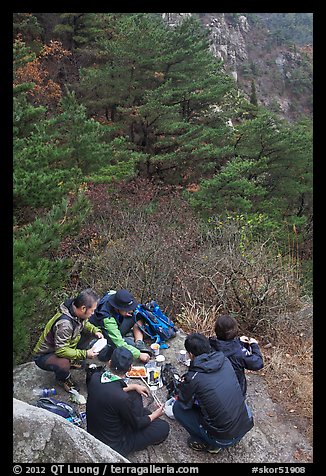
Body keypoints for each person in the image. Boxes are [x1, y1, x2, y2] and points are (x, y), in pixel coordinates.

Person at [172, 333, 254, 454]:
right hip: (244, 424)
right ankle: (222, 437)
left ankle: (207, 442)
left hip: (223, 439)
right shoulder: (224, 361)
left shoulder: (195, 377)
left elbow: (184, 402)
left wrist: (183, 385)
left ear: (190, 354)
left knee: (177, 408)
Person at [86, 346, 170, 457]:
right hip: (114, 445)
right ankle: (141, 420)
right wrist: (156, 414)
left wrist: (133, 386)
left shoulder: (95, 378)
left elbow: (111, 389)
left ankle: (138, 416)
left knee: (134, 394)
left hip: (95, 431)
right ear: (130, 368)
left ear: (110, 362)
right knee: (162, 427)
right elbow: (137, 424)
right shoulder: (121, 398)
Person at [33, 288, 104, 392]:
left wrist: (94, 330)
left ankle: (72, 361)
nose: (93, 313)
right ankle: (63, 379)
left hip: (63, 346)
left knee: (90, 335)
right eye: (92, 310)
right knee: (63, 362)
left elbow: (84, 323)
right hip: (44, 354)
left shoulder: (75, 310)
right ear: (83, 308)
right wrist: (84, 354)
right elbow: (61, 350)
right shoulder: (65, 324)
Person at [89, 289, 151, 364]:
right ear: (117, 308)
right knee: (109, 353)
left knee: (137, 315)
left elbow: (110, 292)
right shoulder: (107, 319)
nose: (128, 311)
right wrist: (139, 354)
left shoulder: (114, 295)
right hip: (102, 332)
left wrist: (125, 313)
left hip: (117, 321)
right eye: (125, 309)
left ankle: (139, 342)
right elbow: (119, 344)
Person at [209, 314, 264, 397]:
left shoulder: (209, 344)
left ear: (216, 330)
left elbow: (225, 346)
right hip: (235, 390)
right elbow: (258, 363)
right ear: (235, 332)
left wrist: (238, 341)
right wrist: (254, 345)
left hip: (215, 387)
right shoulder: (239, 353)